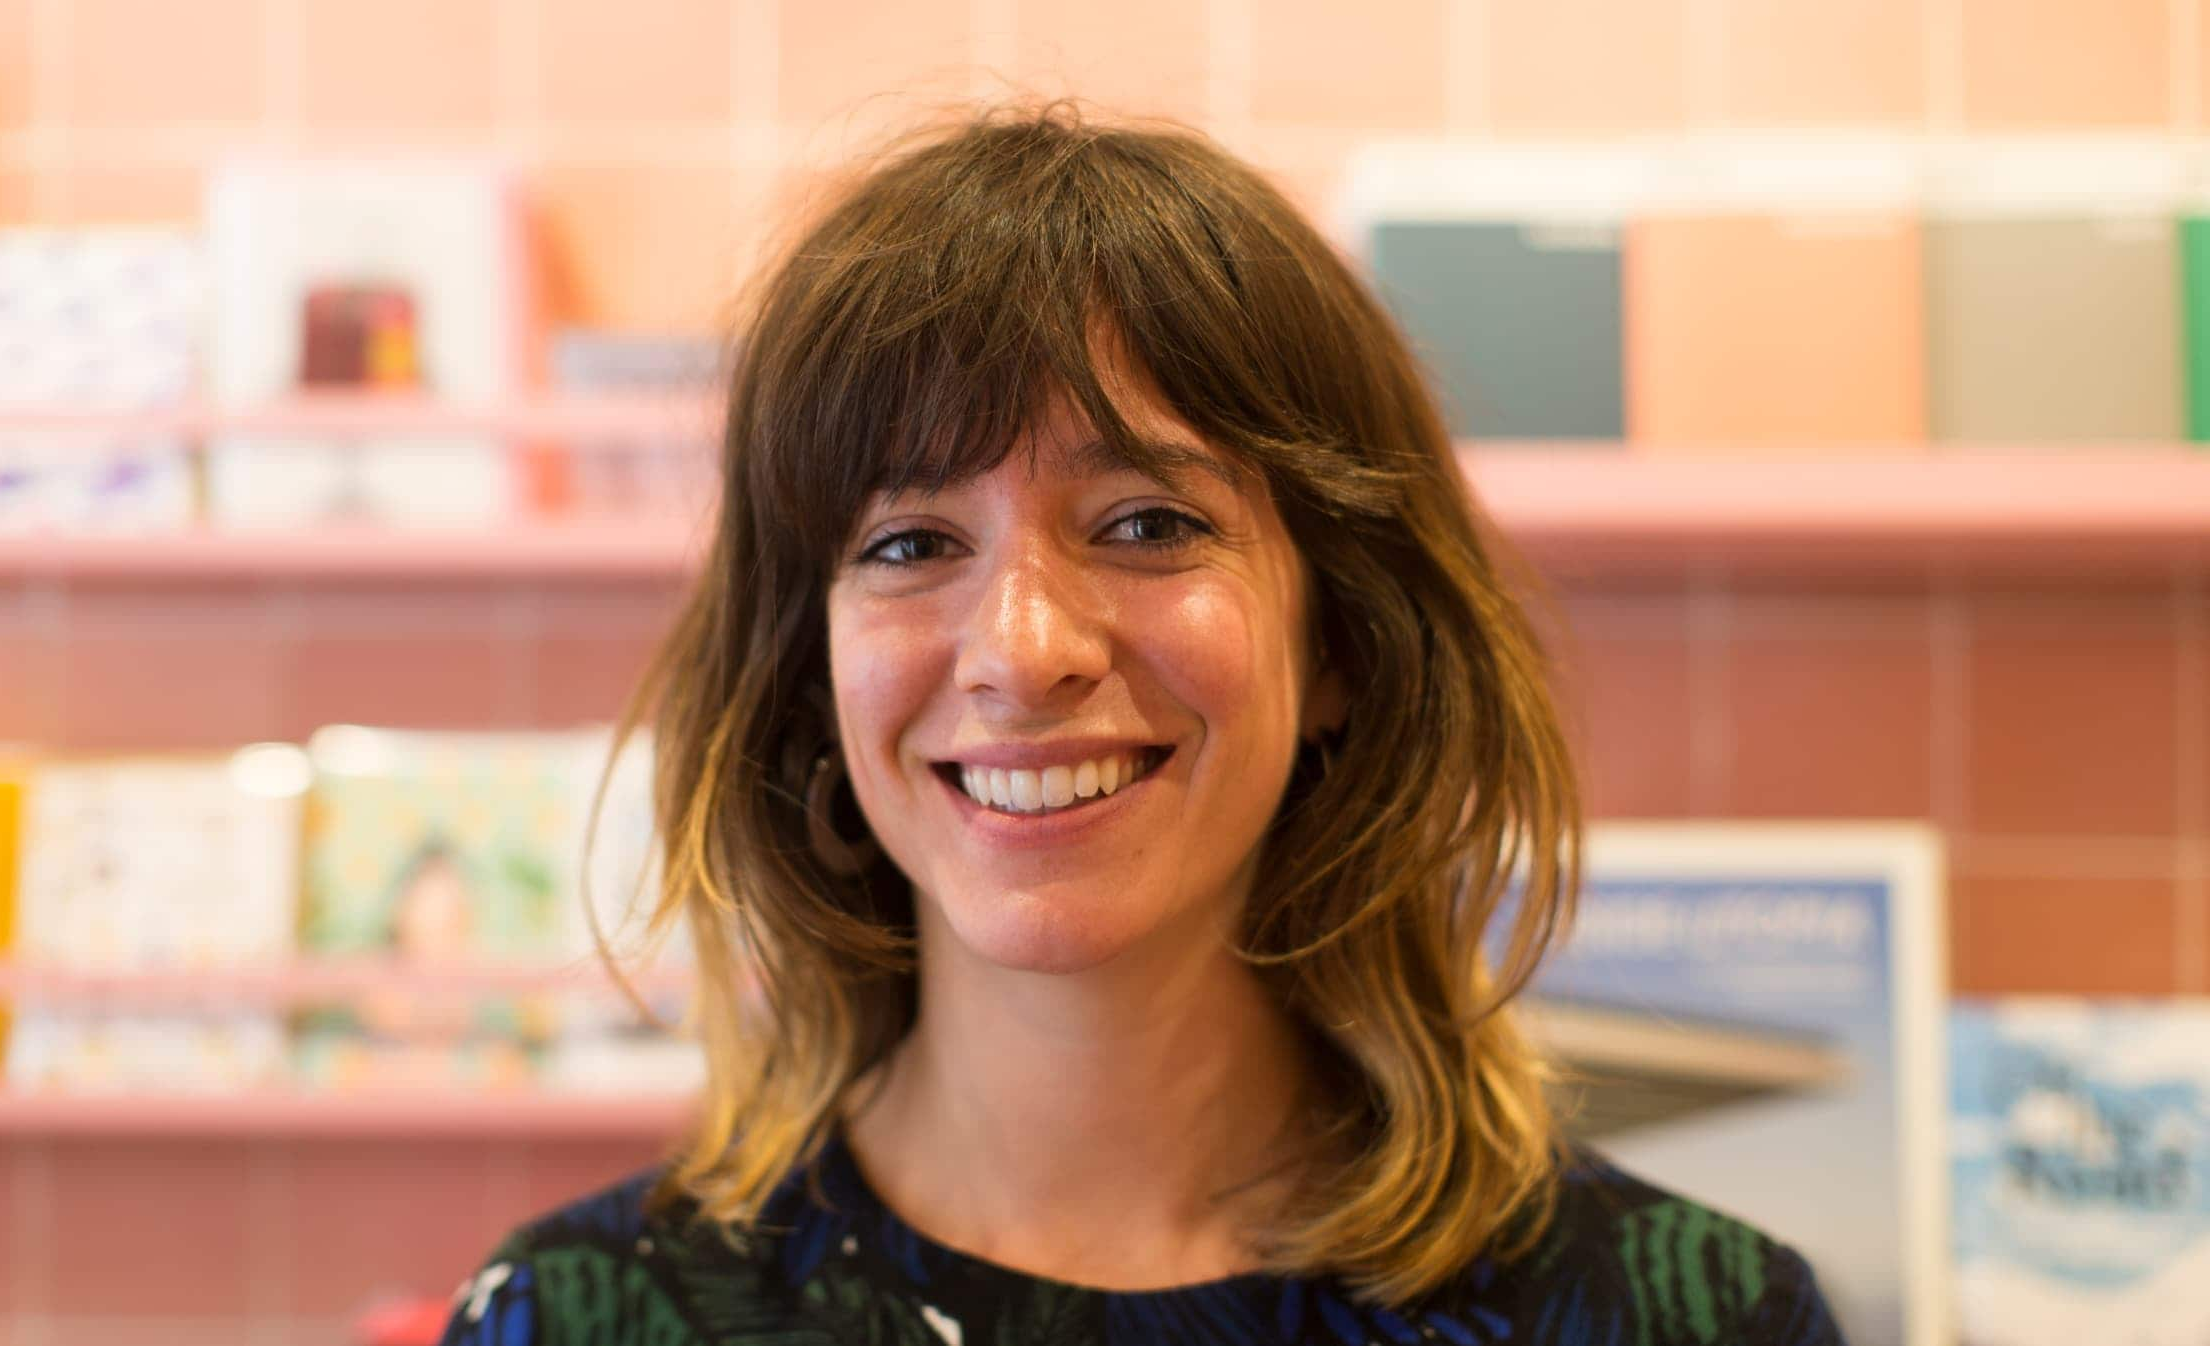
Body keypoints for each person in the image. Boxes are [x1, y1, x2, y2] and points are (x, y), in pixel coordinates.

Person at [439, 102, 1844, 1346]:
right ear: (809, 673)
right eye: (912, 542)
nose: (1023, 650)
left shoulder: (1688, 1316)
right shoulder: (576, 1315)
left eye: (1150, 523)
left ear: (1343, 636)